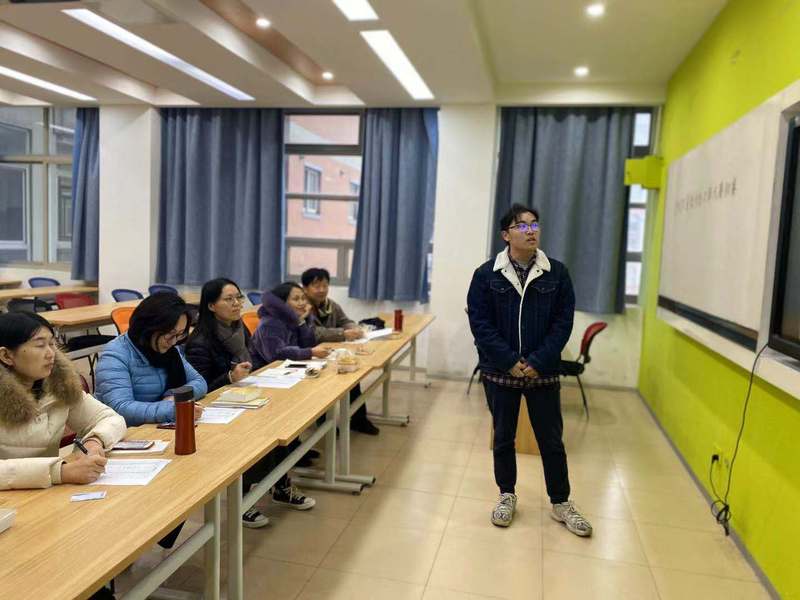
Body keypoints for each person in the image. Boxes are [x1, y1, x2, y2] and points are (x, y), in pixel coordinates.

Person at [467, 203, 592, 536]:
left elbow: (563, 323)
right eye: (521, 226)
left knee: (551, 440)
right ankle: (506, 495)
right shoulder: (486, 275)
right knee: (503, 437)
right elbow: (480, 324)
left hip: (543, 372)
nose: (531, 231)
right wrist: (509, 361)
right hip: (500, 371)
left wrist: (537, 361)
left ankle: (561, 502)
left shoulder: (557, 273)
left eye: (534, 224)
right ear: (506, 235)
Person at [185, 278, 314, 523]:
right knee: (257, 429)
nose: (237, 303)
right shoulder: (200, 342)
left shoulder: (238, 327)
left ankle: (280, 485)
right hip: (214, 407)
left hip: (241, 395)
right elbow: (199, 389)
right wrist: (229, 377)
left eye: (238, 297)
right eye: (229, 299)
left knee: (282, 417)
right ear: (211, 306)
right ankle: (243, 499)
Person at [95, 292, 208, 549]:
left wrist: (173, 396)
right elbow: (120, 408)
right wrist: (172, 408)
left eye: (180, 335)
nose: (175, 341)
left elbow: (199, 382)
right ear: (149, 328)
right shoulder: (116, 355)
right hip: (121, 440)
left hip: (155, 434)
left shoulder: (170, 351)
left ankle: (158, 533)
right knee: (183, 475)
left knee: (196, 468)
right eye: (170, 334)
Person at [0, 311, 126, 490]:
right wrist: (60, 472)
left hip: (47, 492)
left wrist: (94, 441)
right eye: (40, 345)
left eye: (52, 343)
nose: (51, 353)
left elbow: (109, 418)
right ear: (6, 356)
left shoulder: (59, 387)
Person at [302, 267, 379, 435]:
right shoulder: (303, 307)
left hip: (330, 352)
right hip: (310, 353)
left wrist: (354, 328)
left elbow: (345, 320)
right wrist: (342, 334)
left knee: (352, 375)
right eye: (316, 286)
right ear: (305, 288)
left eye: (325, 285)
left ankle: (358, 420)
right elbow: (313, 333)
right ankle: (325, 426)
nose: (322, 290)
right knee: (324, 381)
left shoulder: (330, 305)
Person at [249, 282, 330, 368]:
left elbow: (308, 345)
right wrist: (310, 352)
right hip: (265, 370)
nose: (302, 303)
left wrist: (301, 322)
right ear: (282, 303)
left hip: (288, 368)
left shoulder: (294, 319)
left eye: (303, 298)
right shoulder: (269, 323)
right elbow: (277, 354)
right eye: (296, 299)